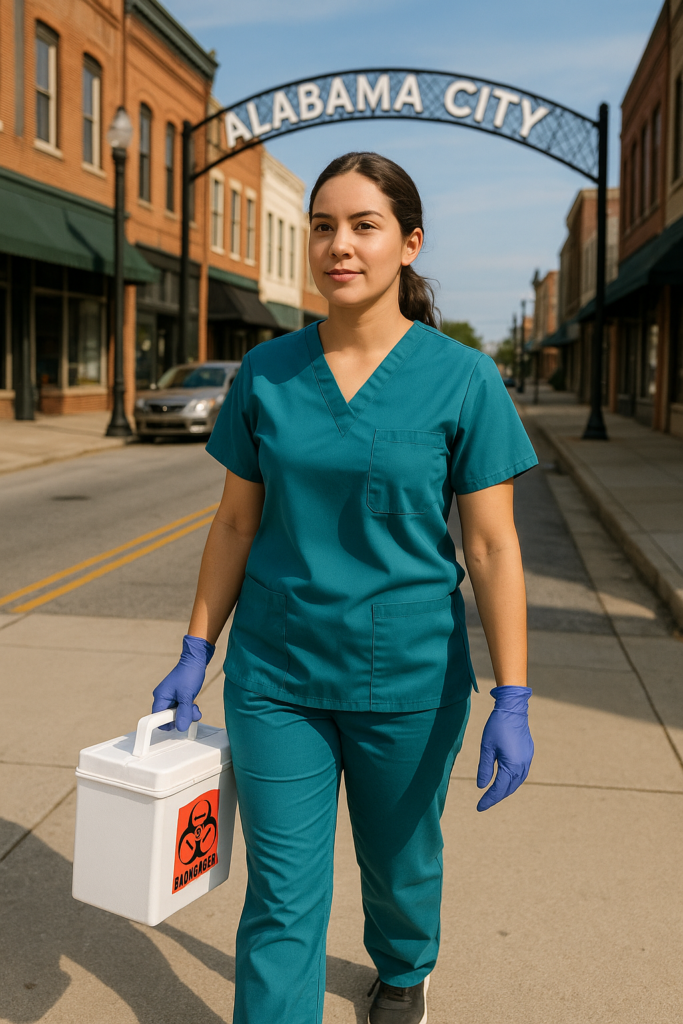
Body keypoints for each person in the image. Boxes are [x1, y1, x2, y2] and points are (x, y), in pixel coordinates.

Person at [152, 151, 537, 1024]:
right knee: (281, 897)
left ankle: (402, 972)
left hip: (406, 678)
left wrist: (511, 694)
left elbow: (490, 547)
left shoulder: (463, 378)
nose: (339, 245)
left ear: (409, 243)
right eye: (324, 225)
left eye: (363, 226)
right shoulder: (266, 372)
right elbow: (237, 525)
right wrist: (194, 646)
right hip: (276, 676)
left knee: (400, 870)